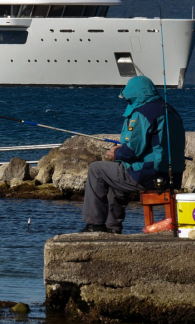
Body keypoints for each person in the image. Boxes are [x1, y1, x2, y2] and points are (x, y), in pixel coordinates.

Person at [80, 75, 186, 233]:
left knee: (96, 169)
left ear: (135, 95)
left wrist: (116, 153)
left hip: (148, 175)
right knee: (117, 175)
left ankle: (94, 225)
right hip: (172, 176)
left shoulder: (143, 113)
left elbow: (131, 152)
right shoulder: (171, 110)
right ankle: (112, 228)